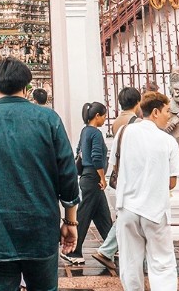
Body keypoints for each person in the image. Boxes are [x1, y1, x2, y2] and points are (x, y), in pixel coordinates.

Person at [0, 57, 80, 291]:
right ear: (27, 86)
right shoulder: (49, 119)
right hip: (40, 228)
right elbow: (68, 174)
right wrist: (70, 221)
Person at [115, 91, 179, 291]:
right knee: (162, 263)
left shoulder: (123, 133)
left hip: (127, 208)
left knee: (130, 263)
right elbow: (172, 182)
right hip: (155, 210)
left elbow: (115, 169)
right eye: (167, 111)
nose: (169, 116)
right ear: (155, 112)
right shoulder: (167, 141)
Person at [94, 86, 142, 271]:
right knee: (129, 214)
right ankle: (108, 250)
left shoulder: (116, 122)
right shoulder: (136, 122)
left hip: (121, 171)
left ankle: (111, 250)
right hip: (133, 172)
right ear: (137, 102)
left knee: (126, 214)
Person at [65, 101, 112, 265]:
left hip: (87, 178)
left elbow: (79, 152)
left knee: (103, 216)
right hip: (93, 178)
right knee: (83, 216)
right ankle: (73, 251)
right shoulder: (96, 133)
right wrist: (102, 178)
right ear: (97, 116)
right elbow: (96, 157)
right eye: (104, 115)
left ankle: (112, 247)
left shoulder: (85, 131)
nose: (105, 119)